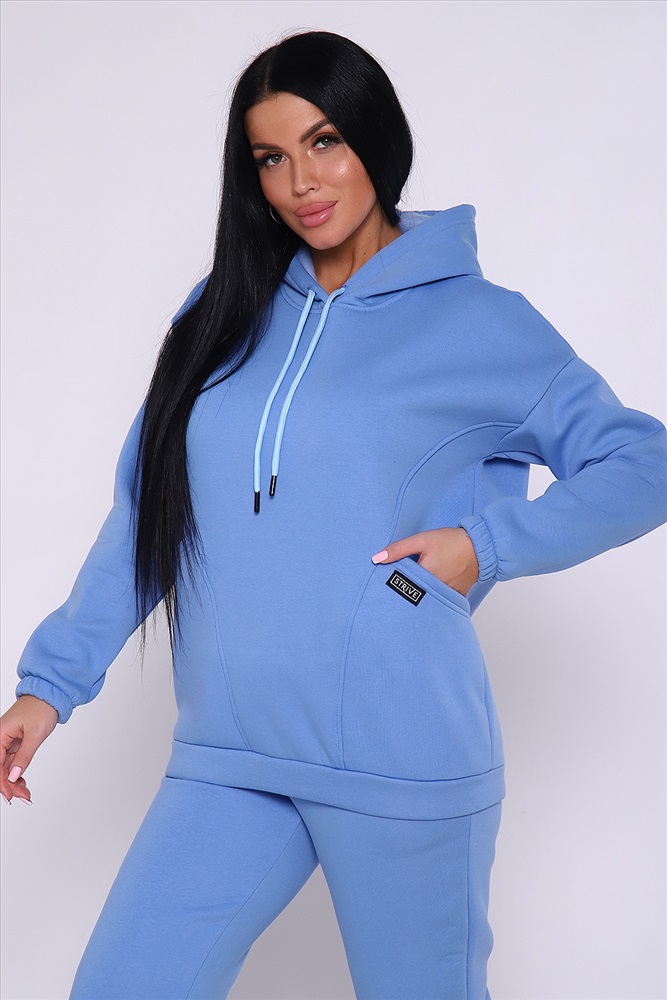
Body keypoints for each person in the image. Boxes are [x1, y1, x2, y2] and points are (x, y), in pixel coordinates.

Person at [1, 28, 666, 1000]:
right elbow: (148, 516)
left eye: (324, 142)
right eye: (270, 157)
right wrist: (49, 685)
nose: (300, 182)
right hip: (230, 753)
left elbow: (642, 461)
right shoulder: (220, 310)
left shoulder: (479, 324)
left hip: (401, 755)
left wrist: (485, 545)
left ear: (374, 138)